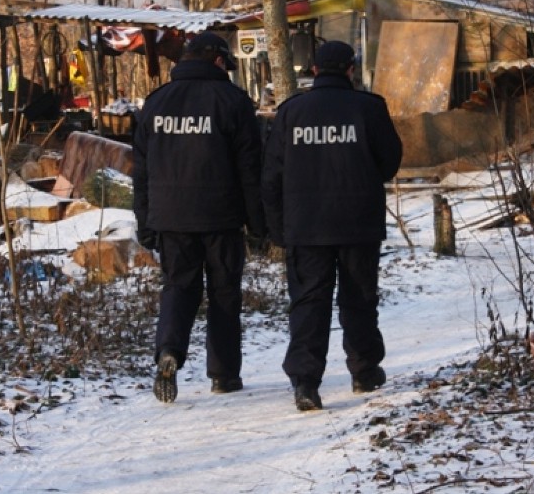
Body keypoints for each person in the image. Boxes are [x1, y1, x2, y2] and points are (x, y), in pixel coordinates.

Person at [261, 40, 402, 412]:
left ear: (314, 70)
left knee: (308, 303)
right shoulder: (370, 108)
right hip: (358, 223)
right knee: (359, 299)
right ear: (351, 69)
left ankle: (306, 383)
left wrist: (278, 228)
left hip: (306, 227)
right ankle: (364, 370)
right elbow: (389, 162)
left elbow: (271, 175)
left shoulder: (291, 112)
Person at [133, 31, 265, 403]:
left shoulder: (155, 103)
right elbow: (249, 169)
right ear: (218, 60)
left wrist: (145, 221)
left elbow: (140, 171)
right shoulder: (233, 102)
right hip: (222, 218)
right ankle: (224, 375)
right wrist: (258, 225)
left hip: (170, 218)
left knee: (178, 287)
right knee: (224, 293)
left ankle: (169, 352)